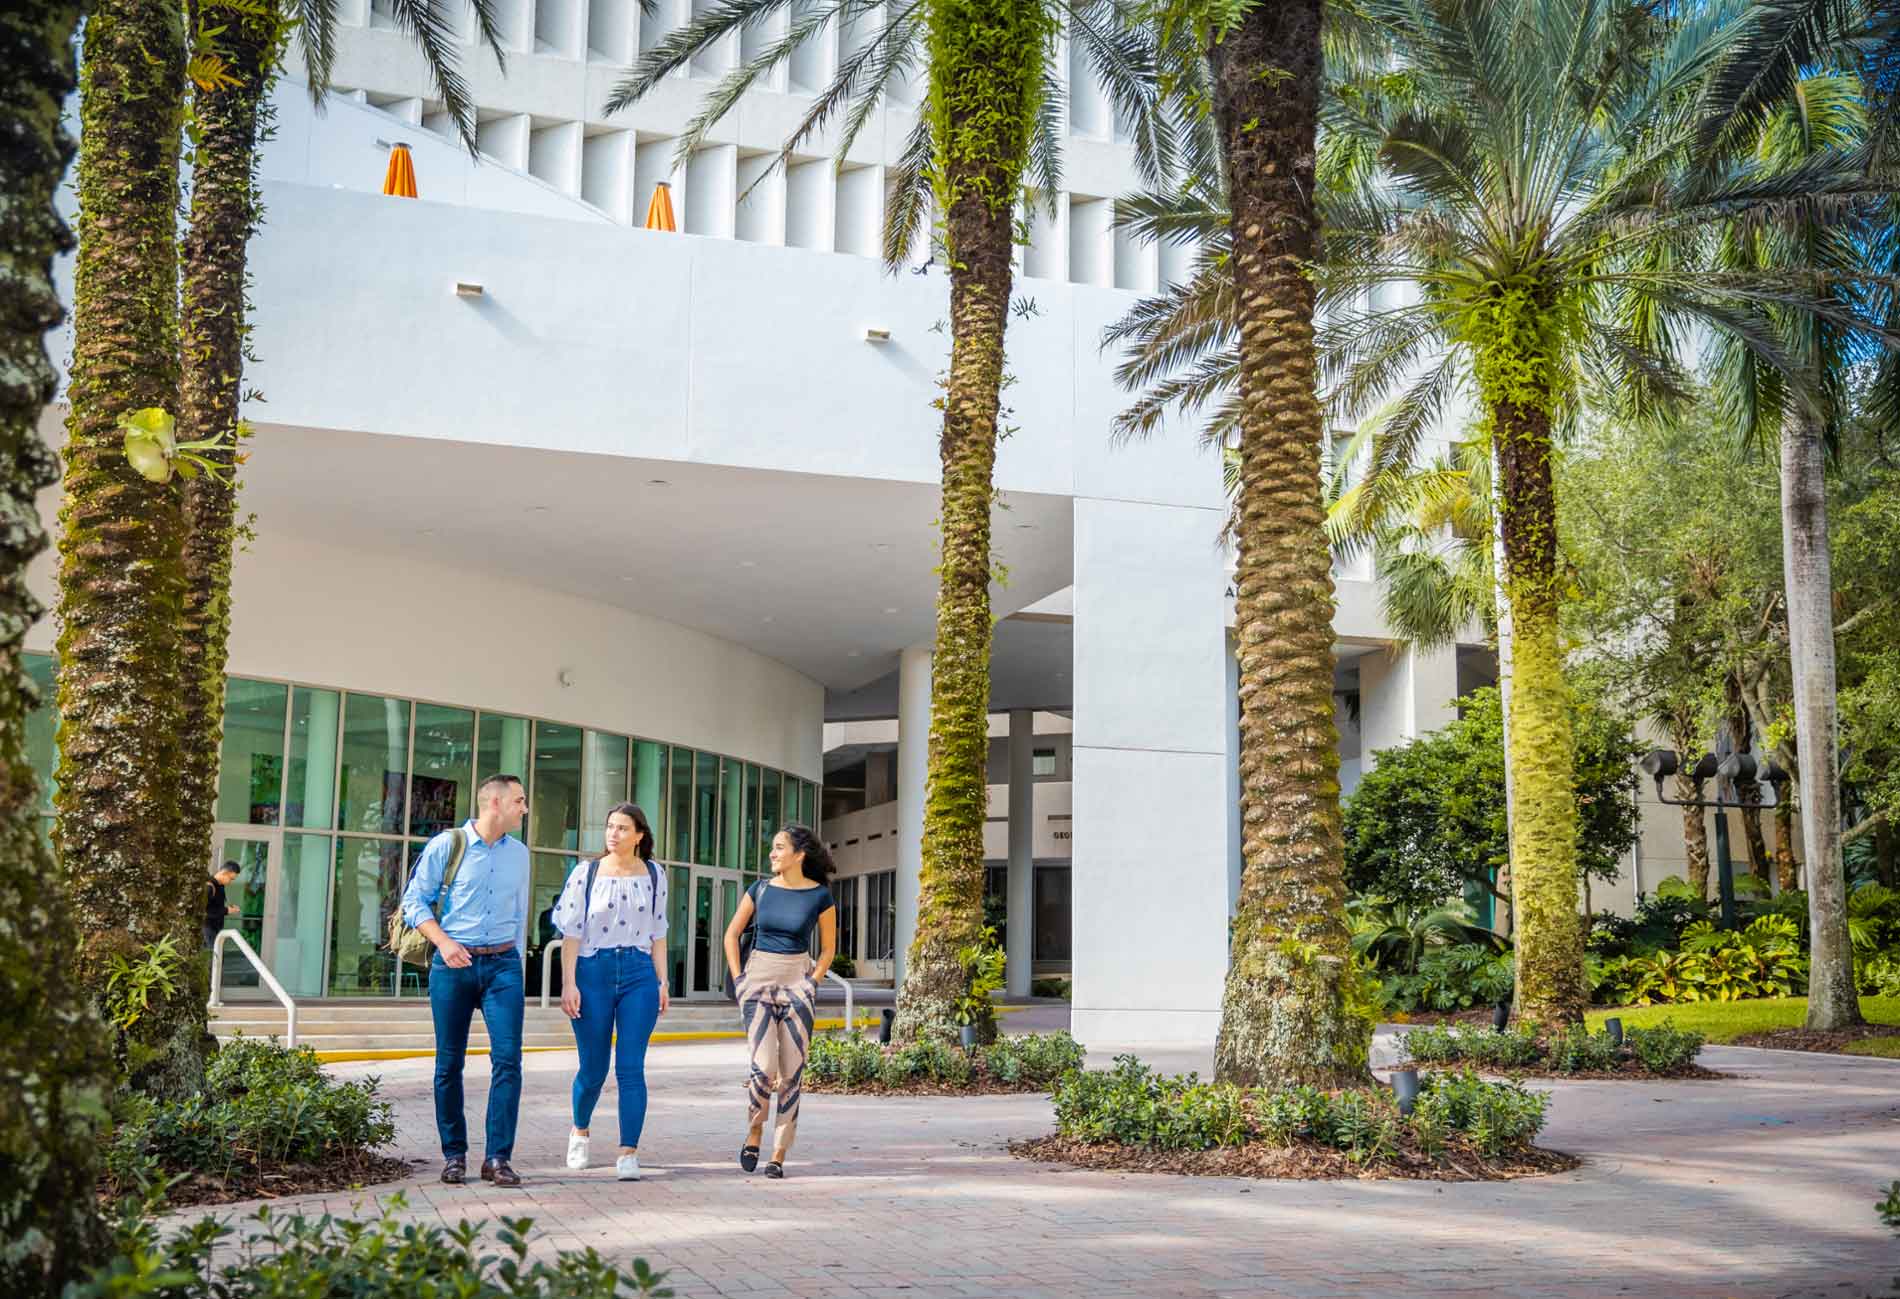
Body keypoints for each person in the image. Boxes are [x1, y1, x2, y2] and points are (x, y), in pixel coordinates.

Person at [400, 773, 531, 1188]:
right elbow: (412, 901)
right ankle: (454, 1154)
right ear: (494, 803)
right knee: (449, 1063)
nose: (524, 809)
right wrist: (443, 942)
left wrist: (517, 958)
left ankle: (497, 1158)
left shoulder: (520, 854)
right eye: (519, 801)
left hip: (503, 965)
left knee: (508, 1061)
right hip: (453, 964)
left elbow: (519, 912)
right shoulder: (448, 845)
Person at [556, 803, 669, 1181]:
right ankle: (580, 1131)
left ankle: (628, 1152)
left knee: (631, 1068)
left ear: (639, 835)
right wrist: (569, 982)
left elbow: (658, 932)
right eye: (610, 827)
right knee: (593, 1068)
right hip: (592, 972)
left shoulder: (654, 874)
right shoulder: (585, 873)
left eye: (622, 828)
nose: (613, 834)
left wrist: (662, 980)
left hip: (639, 973)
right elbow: (571, 932)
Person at [724, 823, 836, 1179]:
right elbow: (731, 934)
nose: (772, 854)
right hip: (757, 982)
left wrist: (812, 984)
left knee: (792, 1073)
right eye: (772, 848)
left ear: (799, 855)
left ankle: (778, 1152)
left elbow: (829, 948)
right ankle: (755, 1129)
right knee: (764, 1068)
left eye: (778, 848)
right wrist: (740, 979)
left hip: (797, 985)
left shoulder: (819, 895)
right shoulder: (760, 889)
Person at [203, 862, 241, 949]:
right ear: (224, 873)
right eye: (231, 879)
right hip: (207, 930)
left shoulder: (220, 886)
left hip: (216, 930)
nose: (230, 882)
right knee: (213, 959)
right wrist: (227, 910)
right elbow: (204, 911)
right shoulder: (209, 886)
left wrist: (229, 909)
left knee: (217, 959)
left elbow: (216, 906)